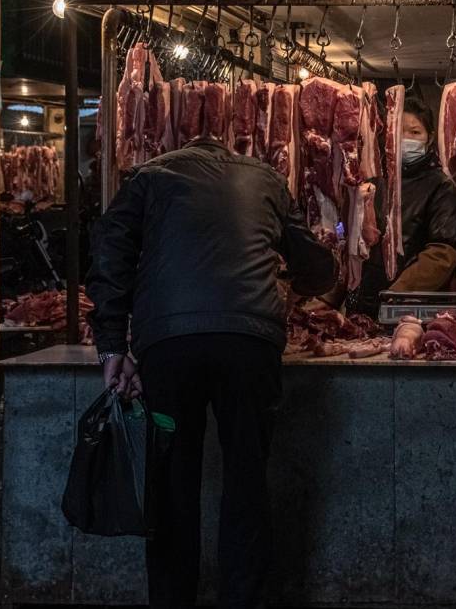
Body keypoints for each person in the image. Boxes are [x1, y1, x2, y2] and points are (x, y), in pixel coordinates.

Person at [86, 132, 337, 609]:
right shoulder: (265, 178)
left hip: (169, 348)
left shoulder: (146, 178)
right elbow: (315, 263)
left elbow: (108, 255)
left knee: (172, 481)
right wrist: (298, 283)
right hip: (249, 345)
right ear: (227, 154)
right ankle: (243, 599)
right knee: (246, 478)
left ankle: (172, 599)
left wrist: (111, 346)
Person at [333, 94, 456, 322]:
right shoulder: (374, 186)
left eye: (415, 132)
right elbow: (353, 250)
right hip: (367, 307)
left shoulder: (443, 190)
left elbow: (442, 254)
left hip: (417, 311)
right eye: (400, 132)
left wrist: (394, 295)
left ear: (429, 138)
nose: (407, 139)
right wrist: (328, 298)